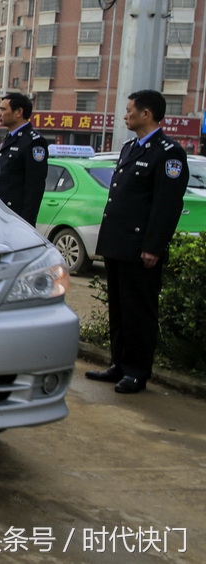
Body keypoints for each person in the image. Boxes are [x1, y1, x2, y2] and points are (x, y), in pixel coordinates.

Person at [87, 90, 189, 394]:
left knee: (139, 312)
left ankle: (137, 371)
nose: (125, 115)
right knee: (118, 309)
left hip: (139, 248)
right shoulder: (131, 147)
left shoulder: (168, 152)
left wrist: (153, 247)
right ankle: (119, 364)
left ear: (146, 114)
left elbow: (166, 205)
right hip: (118, 244)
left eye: (130, 110)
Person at [0, 92, 48, 225]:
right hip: (0, 213)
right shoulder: (11, 138)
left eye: (3, 109)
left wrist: (25, 223)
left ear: (18, 112)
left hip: (15, 217)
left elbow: (34, 187)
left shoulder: (33, 141)